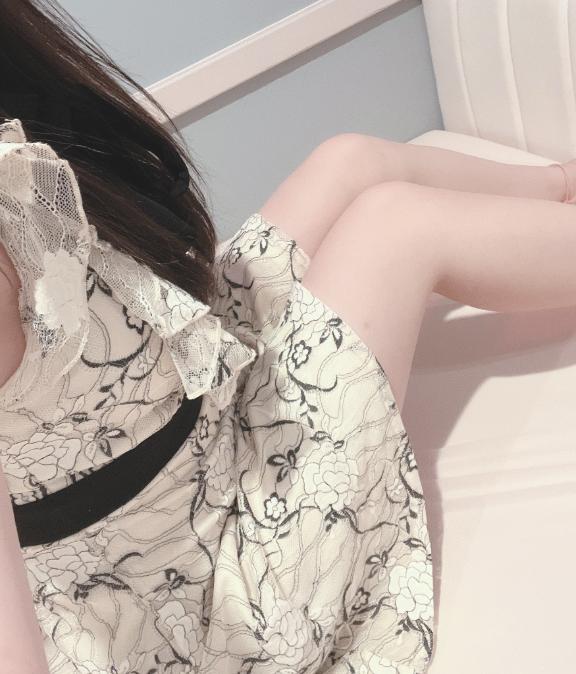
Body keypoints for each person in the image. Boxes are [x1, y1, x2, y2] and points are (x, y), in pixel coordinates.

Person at [2, 2, 576, 674]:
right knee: (396, 227)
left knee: (348, 162)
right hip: (208, 592)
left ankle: (559, 184)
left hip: (203, 421)